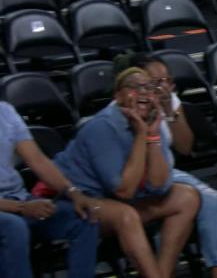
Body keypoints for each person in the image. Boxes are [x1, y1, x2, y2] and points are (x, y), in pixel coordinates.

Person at [54, 67, 201, 278]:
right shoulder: (101, 127)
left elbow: (159, 185)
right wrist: (141, 134)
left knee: (187, 197)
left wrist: (151, 135)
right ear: (117, 96)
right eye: (134, 87)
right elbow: (124, 191)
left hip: (115, 200)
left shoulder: (152, 121)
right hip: (78, 201)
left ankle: (162, 273)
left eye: (149, 87)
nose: (143, 92)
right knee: (125, 215)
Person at [124, 53, 217, 278]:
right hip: (135, 175)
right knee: (177, 207)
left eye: (167, 81)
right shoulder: (129, 106)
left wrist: (169, 111)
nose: (163, 87)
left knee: (210, 199)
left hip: (167, 171)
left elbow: (184, 147)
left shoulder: (170, 102)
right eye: (156, 82)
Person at [0, 102, 99, 278]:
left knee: (83, 217)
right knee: (14, 227)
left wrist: (73, 192)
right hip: (9, 210)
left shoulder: (5, 111)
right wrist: (21, 208)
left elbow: (38, 160)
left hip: (18, 199)